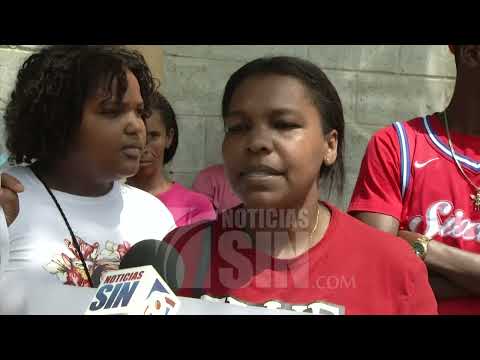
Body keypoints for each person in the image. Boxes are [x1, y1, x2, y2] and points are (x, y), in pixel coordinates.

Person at [162, 56, 437, 315]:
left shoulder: (393, 266)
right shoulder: (179, 252)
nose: (257, 142)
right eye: (238, 127)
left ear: (330, 145)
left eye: (283, 124)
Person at [0, 46, 176, 300]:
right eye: (112, 111)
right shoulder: (10, 203)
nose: (137, 127)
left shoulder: (153, 214)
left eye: (140, 112)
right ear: (58, 119)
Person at [348, 45, 480, 315]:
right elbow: (375, 273)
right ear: (472, 53)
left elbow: (400, 276)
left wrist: (425, 249)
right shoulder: (396, 146)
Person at [127, 92, 216, 227]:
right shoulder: (105, 202)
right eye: (135, 135)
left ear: (169, 137)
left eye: (153, 136)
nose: (143, 146)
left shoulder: (196, 207)